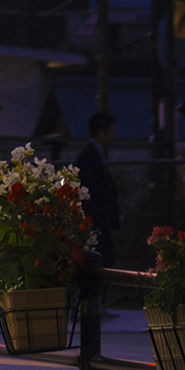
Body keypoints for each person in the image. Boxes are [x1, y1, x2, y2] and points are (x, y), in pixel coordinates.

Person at [73, 109, 123, 268]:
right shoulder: (90, 157)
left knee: (103, 258)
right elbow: (93, 191)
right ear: (102, 132)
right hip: (96, 221)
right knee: (102, 259)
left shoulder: (92, 154)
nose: (114, 135)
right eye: (112, 131)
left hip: (98, 221)